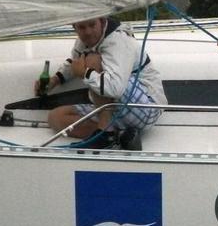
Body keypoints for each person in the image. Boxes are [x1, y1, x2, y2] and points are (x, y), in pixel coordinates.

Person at [39, 16, 167, 138]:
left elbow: (115, 89)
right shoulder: (84, 42)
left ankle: (106, 134)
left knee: (92, 60)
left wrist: (85, 73)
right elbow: (75, 62)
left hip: (148, 106)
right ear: (75, 28)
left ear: (102, 21)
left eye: (92, 25)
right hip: (118, 108)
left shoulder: (119, 40)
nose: (88, 32)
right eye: (82, 27)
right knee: (56, 118)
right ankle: (119, 134)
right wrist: (54, 81)